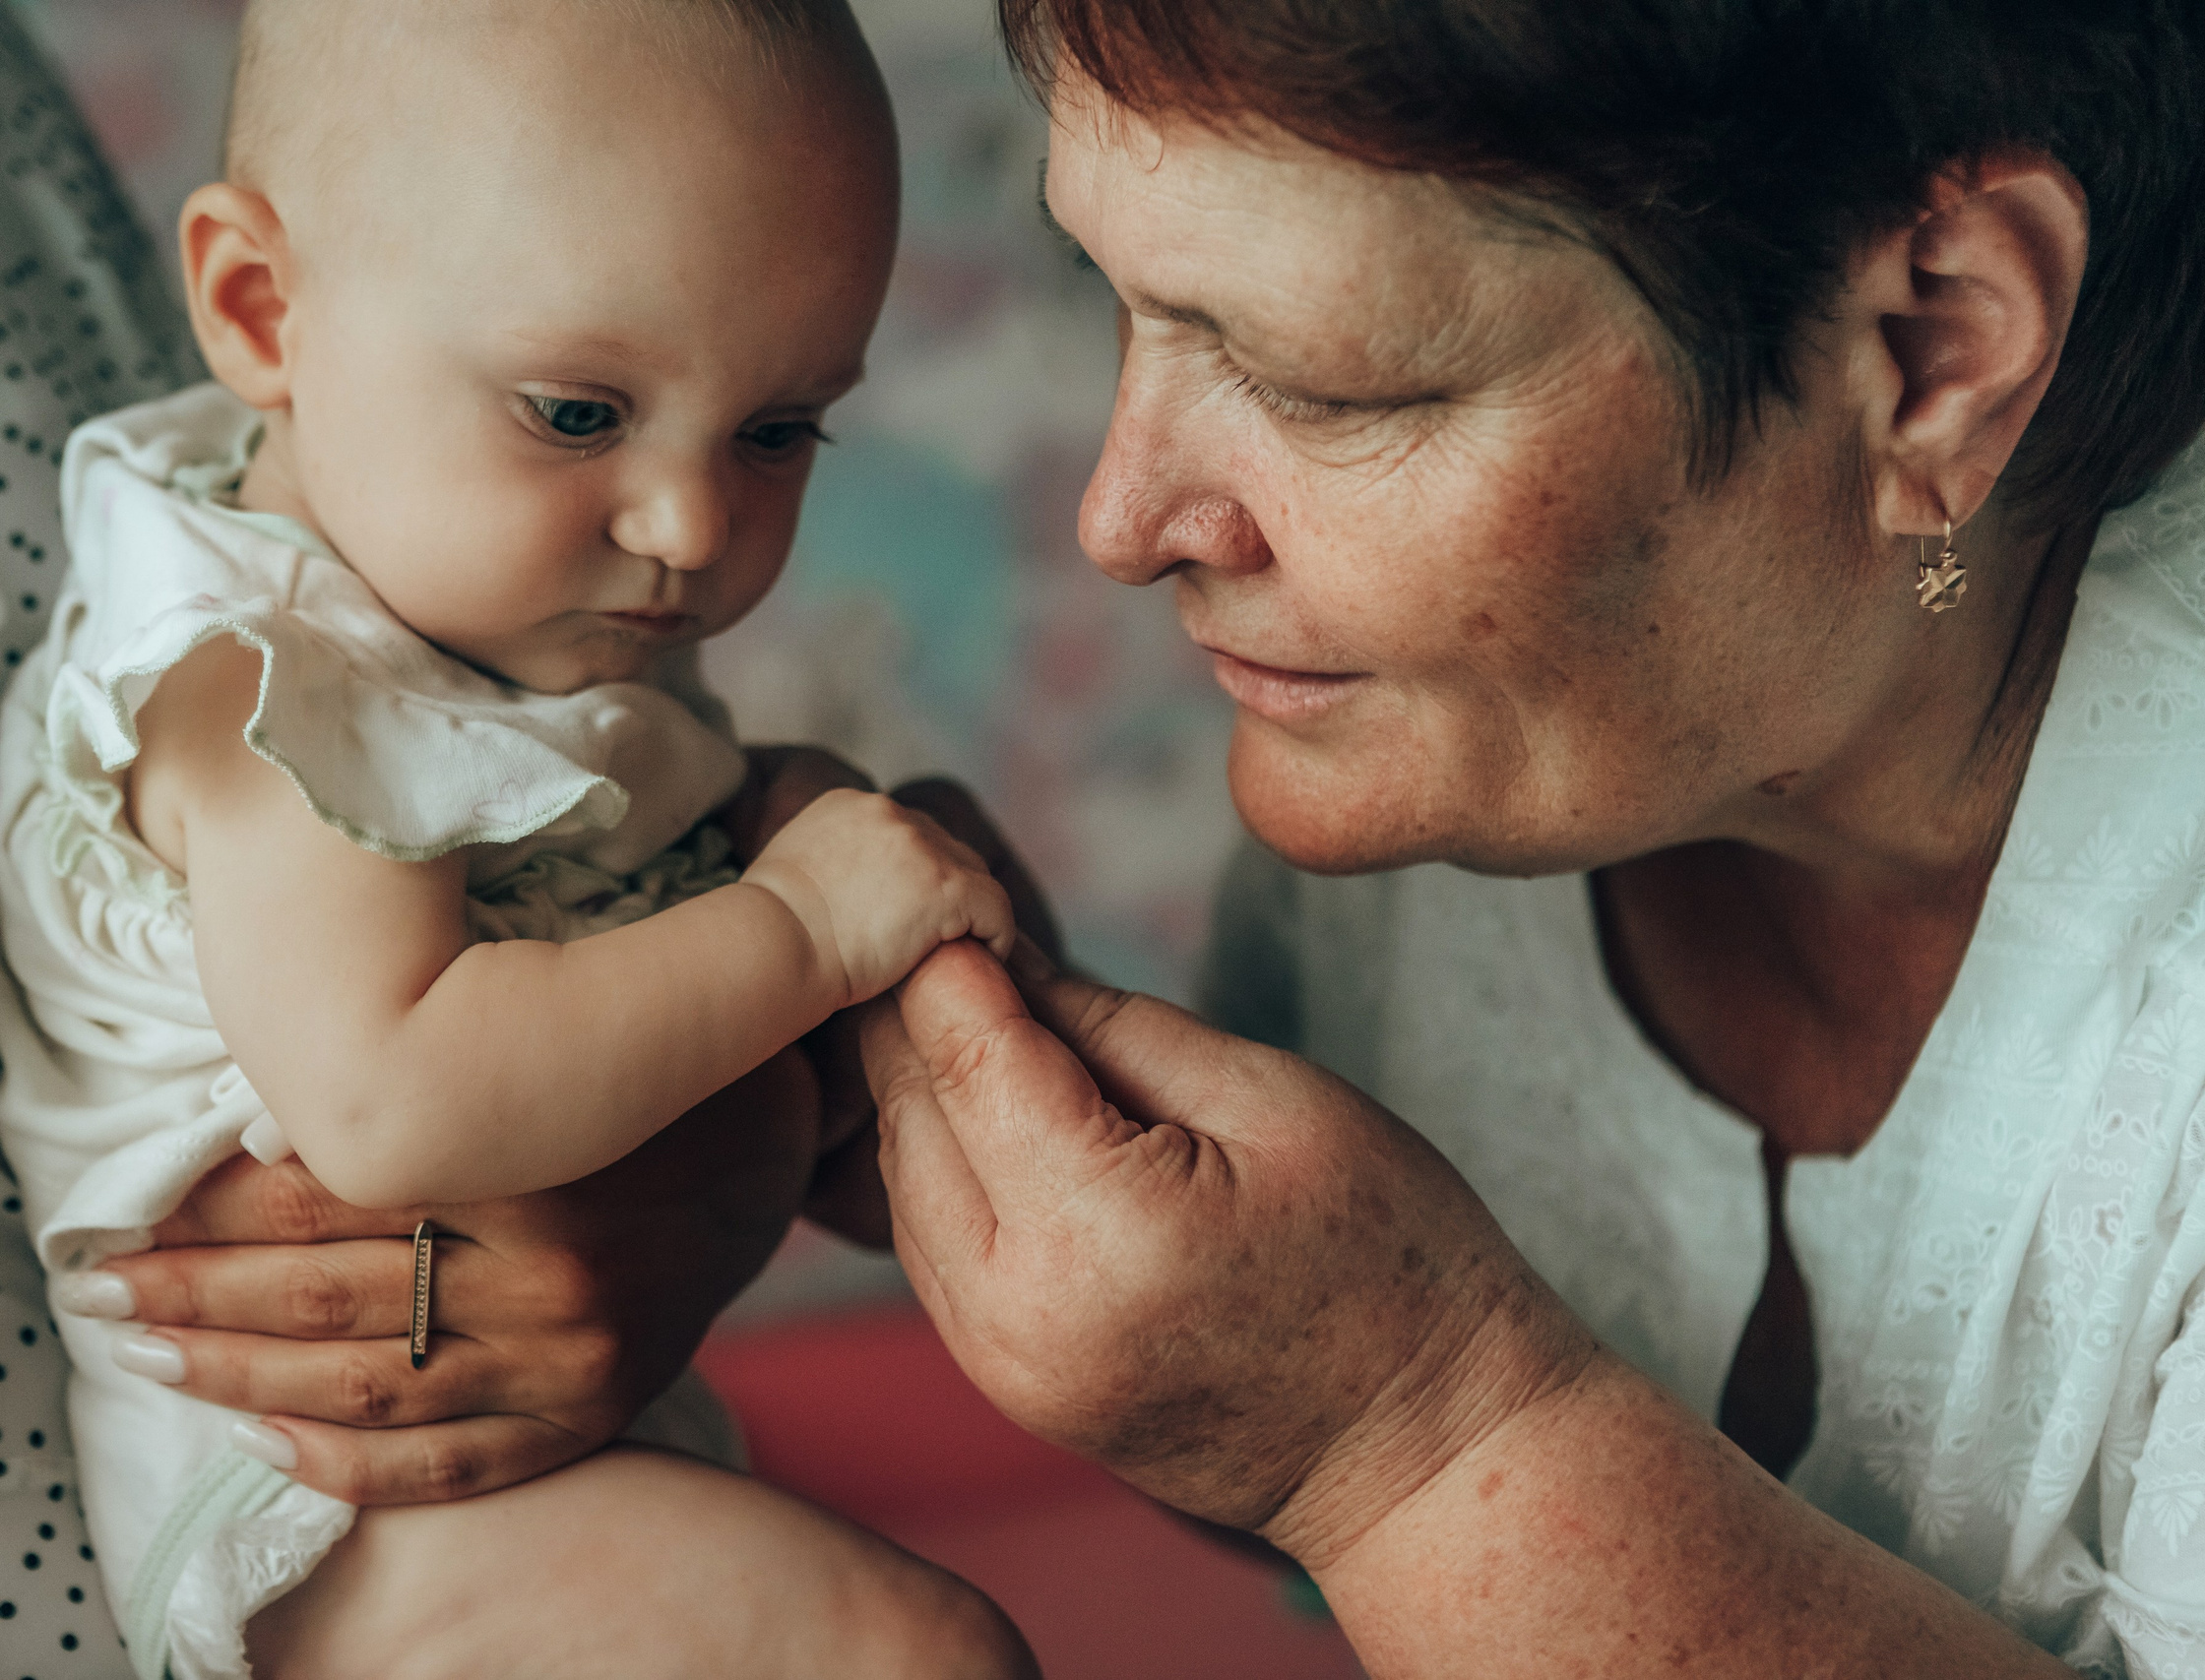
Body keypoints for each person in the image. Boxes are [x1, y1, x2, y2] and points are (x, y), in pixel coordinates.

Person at [847, 2, 2205, 1676]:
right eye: (1114, 301)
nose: (1122, 521)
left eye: (1319, 379)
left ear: (1933, 352)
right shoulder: (1490, 752)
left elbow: (1385, 1477)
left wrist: (1414, 1442)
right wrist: (1069, 1248)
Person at [0, 3, 1029, 1676]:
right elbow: (401, 1098)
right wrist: (804, 934)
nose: (690, 528)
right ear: (260, 311)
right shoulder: (275, 694)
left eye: (775, 431)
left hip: (462, 1447)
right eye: (574, 414)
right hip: (317, 1509)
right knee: (911, 1655)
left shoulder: (459, 579)